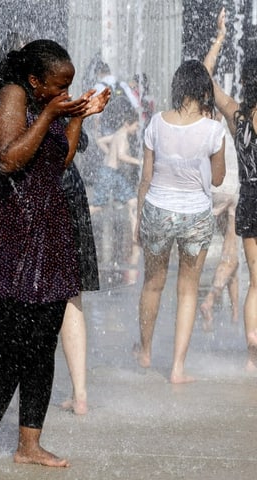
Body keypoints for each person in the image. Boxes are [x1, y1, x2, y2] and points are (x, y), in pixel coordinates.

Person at [0, 39, 109, 468]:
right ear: (35, 79)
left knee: (42, 345)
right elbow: (8, 160)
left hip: (49, 234)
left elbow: (60, 160)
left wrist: (78, 115)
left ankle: (29, 444)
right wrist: (50, 114)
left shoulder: (51, 104)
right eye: (58, 86)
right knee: (14, 348)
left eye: (70, 87)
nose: (64, 93)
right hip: (7, 235)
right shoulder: (12, 96)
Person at [134, 59, 226, 384]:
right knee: (188, 291)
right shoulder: (214, 129)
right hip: (196, 215)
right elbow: (217, 179)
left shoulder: (156, 124)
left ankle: (145, 351)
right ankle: (177, 369)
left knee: (153, 283)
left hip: (157, 209)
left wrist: (138, 221)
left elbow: (145, 179)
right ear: (204, 90)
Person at [205, 8, 257, 370]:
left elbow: (203, 78)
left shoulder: (237, 115)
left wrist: (220, 37)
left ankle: (253, 353)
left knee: (256, 281)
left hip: (251, 196)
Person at [59, 128, 100, 416]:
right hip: (68, 191)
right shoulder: (58, 98)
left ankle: (26, 389)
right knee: (71, 296)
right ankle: (80, 393)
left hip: (30, 196)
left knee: (27, 296)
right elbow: (80, 142)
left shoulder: (10, 99)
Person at [199, 122, 240, 329]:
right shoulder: (244, 123)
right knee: (231, 254)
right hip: (233, 187)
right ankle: (210, 300)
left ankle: (235, 314)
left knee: (231, 255)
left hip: (214, 188)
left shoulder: (216, 125)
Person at [93, 99, 142, 265]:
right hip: (109, 174)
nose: (137, 130)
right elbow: (121, 155)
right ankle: (75, 220)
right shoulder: (121, 135)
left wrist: (109, 154)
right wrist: (138, 162)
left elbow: (100, 141)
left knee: (133, 201)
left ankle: (136, 235)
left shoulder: (117, 134)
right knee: (99, 206)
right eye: (136, 126)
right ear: (128, 124)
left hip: (113, 173)